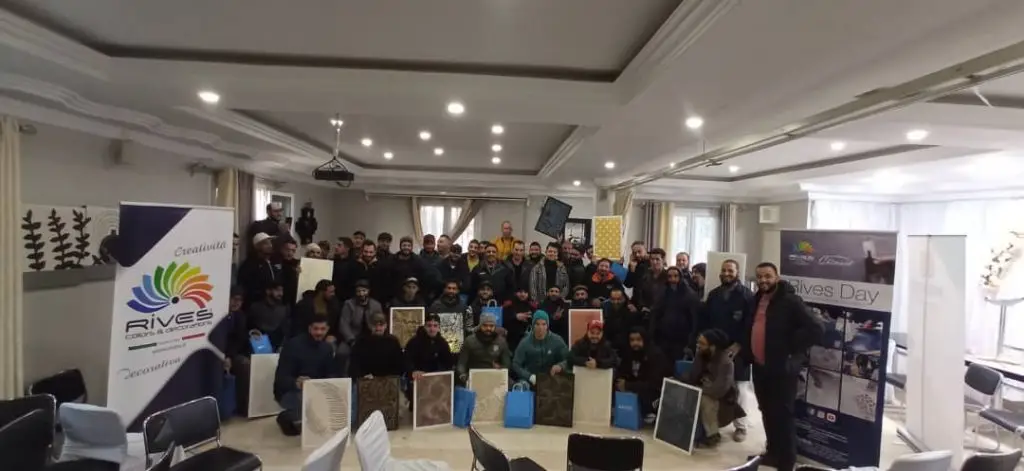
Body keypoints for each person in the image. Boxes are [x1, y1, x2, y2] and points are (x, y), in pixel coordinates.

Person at [745, 262, 822, 471]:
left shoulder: (791, 301)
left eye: (767, 276)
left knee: (783, 415)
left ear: (777, 277)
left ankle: (787, 462)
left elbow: (816, 328)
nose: (763, 280)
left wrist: (793, 349)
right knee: (766, 411)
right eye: (760, 276)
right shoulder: (756, 299)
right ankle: (773, 453)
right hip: (760, 368)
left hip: (782, 369)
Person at [696, 259, 756, 441]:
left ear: (737, 273)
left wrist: (739, 344)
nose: (726, 273)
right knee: (715, 385)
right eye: (724, 270)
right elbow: (706, 321)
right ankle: (713, 427)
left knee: (740, 387)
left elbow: (751, 324)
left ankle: (741, 427)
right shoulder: (714, 295)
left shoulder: (747, 296)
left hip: (738, 349)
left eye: (730, 270)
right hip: (716, 350)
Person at [684, 329, 746, 448]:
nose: (698, 346)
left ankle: (713, 435)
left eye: (702, 343)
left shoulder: (726, 363)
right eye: (698, 342)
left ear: (713, 347)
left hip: (723, 401)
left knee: (705, 399)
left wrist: (699, 389)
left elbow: (718, 391)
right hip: (703, 390)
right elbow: (693, 376)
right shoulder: (701, 355)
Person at [273, 317, 335, 434]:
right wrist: (296, 382)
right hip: (290, 391)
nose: (319, 332)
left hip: (316, 390)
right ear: (309, 328)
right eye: (316, 328)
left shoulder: (327, 348)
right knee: (309, 406)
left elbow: (330, 373)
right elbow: (281, 378)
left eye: (322, 329)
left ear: (327, 329)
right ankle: (286, 417)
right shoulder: (293, 346)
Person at [649, 266, 702, 364]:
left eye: (676, 276)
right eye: (669, 276)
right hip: (663, 339)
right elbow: (655, 315)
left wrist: (691, 343)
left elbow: (695, 321)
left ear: (680, 277)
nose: (673, 279)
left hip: (682, 340)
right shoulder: (663, 294)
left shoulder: (690, 295)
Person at [615, 327, 668, 423]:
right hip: (634, 391)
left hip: (654, 394)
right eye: (632, 340)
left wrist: (628, 385)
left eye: (638, 339)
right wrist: (621, 383)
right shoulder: (629, 354)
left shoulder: (655, 355)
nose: (635, 343)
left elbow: (654, 384)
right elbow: (622, 373)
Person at [404, 313, 455, 406]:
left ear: (439, 328)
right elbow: (407, 360)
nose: (432, 329)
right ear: (424, 326)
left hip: (436, 380)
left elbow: (448, 364)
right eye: (429, 325)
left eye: (435, 326)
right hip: (417, 379)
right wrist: (413, 371)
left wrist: (439, 374)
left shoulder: (443, 343)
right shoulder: (414, 342)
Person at [511, 311, 569, 390]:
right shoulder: (525, 342)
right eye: (537, 324)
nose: (540, 328)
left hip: (552, 381)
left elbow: (568, 359)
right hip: (531, 382)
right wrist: (529, 376)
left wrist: (560, 366)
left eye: (544, 324)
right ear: (533, 325)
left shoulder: (557, 340)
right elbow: (516, 364)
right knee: (520, 387)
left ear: (547, 325)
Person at [337, 280, 383, 375]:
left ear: (368, 291)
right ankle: (343, 377)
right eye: (358, 291)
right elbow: (344, 324)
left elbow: (379, 322)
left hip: (371, 336)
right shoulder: (349, 304)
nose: (361, 294)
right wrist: (351, 340)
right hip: (353, 336)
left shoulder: (376, 305)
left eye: (364, 291)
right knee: (342, 352)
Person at [456, 312, 512, 385]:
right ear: (480, 326)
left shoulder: (501, 342)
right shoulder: (470, 341)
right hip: (474, 377)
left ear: (495, 327)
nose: (488, 328)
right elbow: (461, 364)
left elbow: (507, 365)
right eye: (485, 325)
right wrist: (463, 376)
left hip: (494, 377)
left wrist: (501, 368)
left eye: (491, 326)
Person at [350, 313, 405, 378]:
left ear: (385, 326)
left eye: (381, 325)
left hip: (389, 379)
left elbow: (399, 364)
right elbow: (354, 364)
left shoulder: (393, 341)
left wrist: (392, 376)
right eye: (375, 325)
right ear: (370, 326)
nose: (378, 328)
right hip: (367, 379)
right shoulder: (361, 342)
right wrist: (362, 375)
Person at [236, 232, 280, 309]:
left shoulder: (273, 262)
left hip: (273, 306)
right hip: (256, 307)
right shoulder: (249, 265)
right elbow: (246, 288)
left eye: (270, 243)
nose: (270, 245)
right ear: (257, 246)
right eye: (266, 243)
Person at [248, 281, 290, 350]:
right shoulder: (256, 307)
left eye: (282, 290)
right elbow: (249, 327)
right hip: (258, 345)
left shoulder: (284, 309)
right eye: (277, 290)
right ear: (268, 291)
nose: (281, 294)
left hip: (277, 346)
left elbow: (286, 331)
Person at [602, 287, 640, 351]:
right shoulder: (607, 313)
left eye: (619, 299)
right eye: (613, 299)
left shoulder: (632, 314)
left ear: (624, 299)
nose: (616, 302)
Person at [502, 286, 536, 352]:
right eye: (520, 292)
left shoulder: (532, 305)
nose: (522, 294)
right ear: (516, 293)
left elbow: (536, 319)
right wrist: (515, 316)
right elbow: (504, 318)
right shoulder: (509, 304)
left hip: (528, 336)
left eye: (525, 292)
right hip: (512, 337)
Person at [275, 239, 301, 305]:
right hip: (279, 300)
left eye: (293, 251)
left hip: (294, 299)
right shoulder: (275, 262)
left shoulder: (297, 263)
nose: (290, 253)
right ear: (282, 249)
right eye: (287, 250)